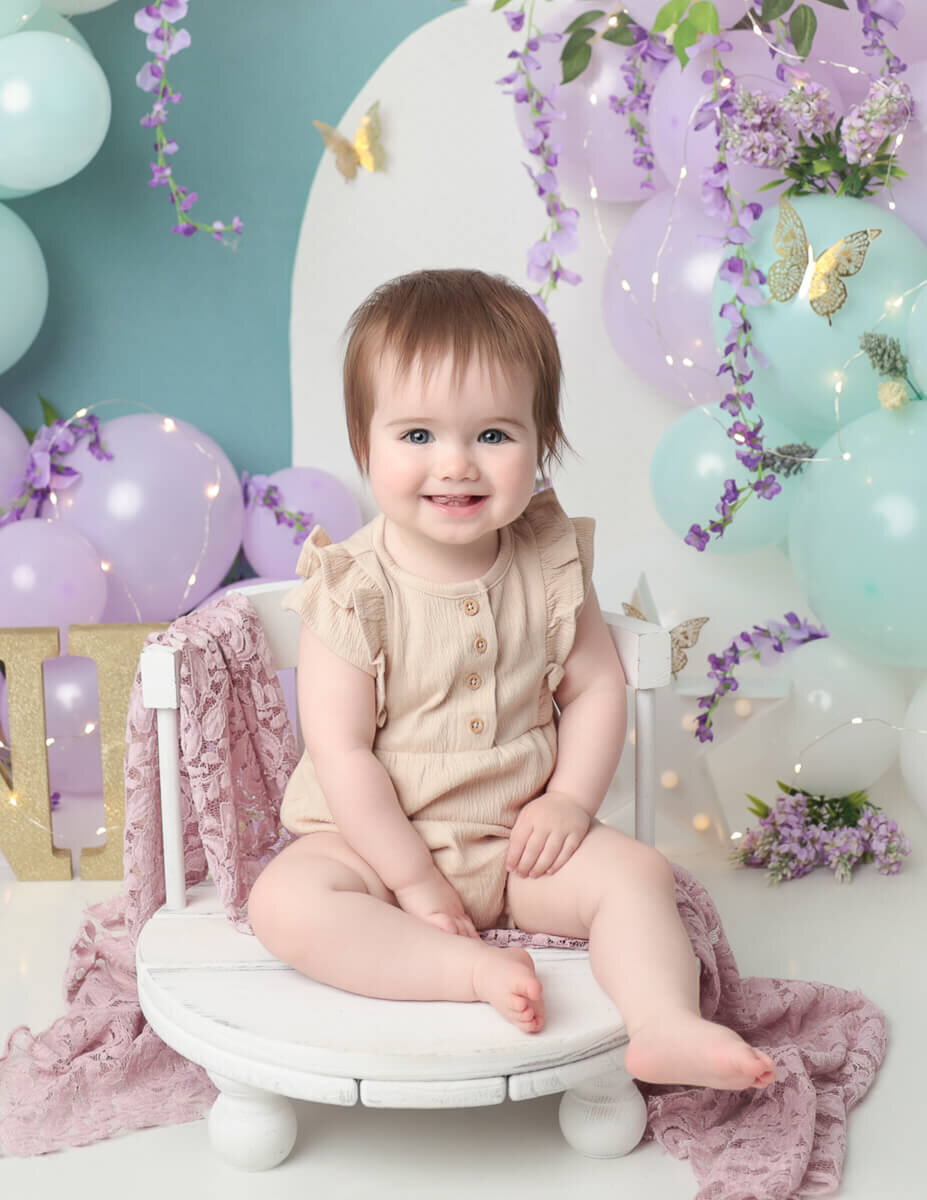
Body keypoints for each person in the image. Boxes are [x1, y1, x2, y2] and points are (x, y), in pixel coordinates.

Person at [248, 268, 776, 1091]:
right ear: (364, 444)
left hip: (516, 844)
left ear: (541, 440)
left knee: (638, 876)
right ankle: (458, 969)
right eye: (417, 435)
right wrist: (414, 880)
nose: (455, 463)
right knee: (284, 902)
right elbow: (342, 753)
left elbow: (596, 686)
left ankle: (664, 1022)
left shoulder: (548, 560)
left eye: (493, 435)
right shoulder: (353, 588)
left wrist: (566, 801)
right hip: (374, 850)